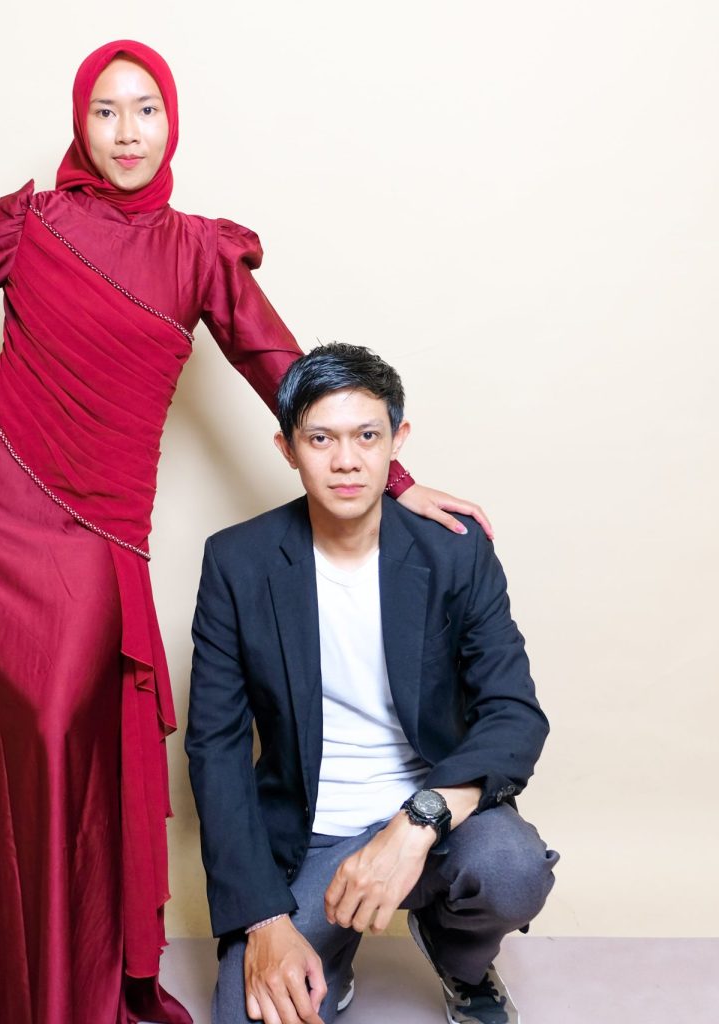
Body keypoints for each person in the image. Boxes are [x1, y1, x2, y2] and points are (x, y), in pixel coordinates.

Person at [0, 40, 490, 1024]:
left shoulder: (198, 251)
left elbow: (279, 365)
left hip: (98, 530)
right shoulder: (27, 224)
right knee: (6, 752)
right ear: (81, 124)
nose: (126, 133)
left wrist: (394, 480)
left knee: (65, 744)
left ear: (171, 123)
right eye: (105, 111)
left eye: (145, 109)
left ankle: (67, 986)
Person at [186, 344, 557, 1024]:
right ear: (287, 448)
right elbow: (216, 750)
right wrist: (264, 920)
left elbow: (514, 714)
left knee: (512, 868)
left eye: (366, 436)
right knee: (247, 1013)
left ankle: (459, 957)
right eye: (320, 439)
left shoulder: (454, 551)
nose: (347, 461)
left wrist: (419, 820)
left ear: (397, 441)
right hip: (310, 839)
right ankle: (332, 958)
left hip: (432, 824)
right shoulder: (238, 562)